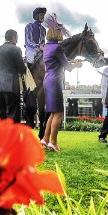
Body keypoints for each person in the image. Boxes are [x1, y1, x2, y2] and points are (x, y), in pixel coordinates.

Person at [40, 14, 82, 152]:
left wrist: (71, 62)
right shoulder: (58, 48)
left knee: (52, 113)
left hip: (47, 79)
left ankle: (45, 139)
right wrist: (76, 65)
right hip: (55, 80)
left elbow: (58, 63)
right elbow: (67, 67)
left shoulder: (47, 47)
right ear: (57, 32)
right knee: (58, 113)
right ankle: (53, 142)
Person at [0, 29, 27, 123]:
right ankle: (12, 137)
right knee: (12, 116)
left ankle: (0, 137)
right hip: (10, 86)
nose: (17, 41)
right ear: (14, 37)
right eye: (17, 38)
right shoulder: (16, 49)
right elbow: (22, 69)